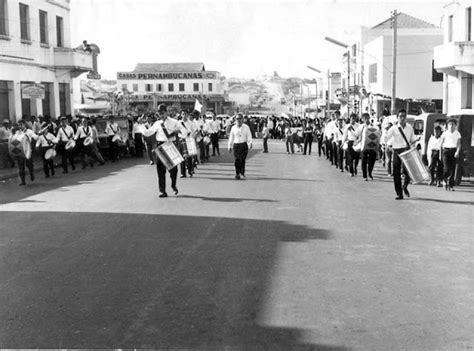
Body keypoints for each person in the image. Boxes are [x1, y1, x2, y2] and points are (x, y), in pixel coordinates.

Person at [142, 104, 184, 198]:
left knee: (174, 170)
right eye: (159, 113)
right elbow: (148, 132)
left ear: (166, 112)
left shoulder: (174, 122)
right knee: (160, 170)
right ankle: (162, 191)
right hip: (160, 146)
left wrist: (178, 131)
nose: (161, 115)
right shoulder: (157, 123)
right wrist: (141, 126)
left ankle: (173, 185)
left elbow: (183, 130)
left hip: (170, 146)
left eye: (163, 113)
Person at [386, 109, 417, 200]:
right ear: (397, 117)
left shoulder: (409, 127)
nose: (403, 118)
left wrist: (414, 145)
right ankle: (399, 193)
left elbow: (412, 139)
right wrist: (388, 144)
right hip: (397, 151)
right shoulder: (393, 128)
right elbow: (386, 139)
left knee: (408, 172)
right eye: (401, 116)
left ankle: (404, 186)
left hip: (407, 150)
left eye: (404, 116)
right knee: (396, 173)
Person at [10, 120, 38, 185]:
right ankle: (23, 181)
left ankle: (31, 174)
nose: (20, 126)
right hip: (20, 151)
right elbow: (13, 141)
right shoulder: (17, 132)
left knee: (29, 165)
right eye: (19, 125)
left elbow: (35, 137)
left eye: (21, 124)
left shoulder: (29, 131)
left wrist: (36, 136)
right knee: (21, 167)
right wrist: (12, 135)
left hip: (28, 151)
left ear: (24, 125)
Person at [357, 113, 381, 181]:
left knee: (372, 161)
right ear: (362, 119)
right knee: (364, 161)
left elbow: (378, 134)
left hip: (372, 146)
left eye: (368, 118)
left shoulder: (374, 126)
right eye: (365, 118)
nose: (367, 119)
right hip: (363, 146)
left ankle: (370, 173)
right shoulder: (361, 127)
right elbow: (356, 134)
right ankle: (364, 175)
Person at [228, 113, 252, 180]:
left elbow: (249, 136)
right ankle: (237, 173)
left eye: (240, 118)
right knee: (237, 160)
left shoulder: (246, 127)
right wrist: (229, 146)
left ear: (242, 119)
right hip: (236, 145)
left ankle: (242, 172)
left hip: (243, 145)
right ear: (235, 120)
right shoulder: (233, 128)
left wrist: (250, 143)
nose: (238, 120)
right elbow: (231, 137)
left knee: (242, 160)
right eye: (237, 119)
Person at [439, 119, 461, 191]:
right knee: (446, 168)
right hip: (446, 150)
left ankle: (451, 185)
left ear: (455, 126)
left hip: (453, 150)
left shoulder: (457, 133)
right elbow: (441, 144)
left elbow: (458, 144)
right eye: (450, 124)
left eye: (453, 124)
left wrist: (457, 151)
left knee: (453, 168)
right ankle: (445, 181)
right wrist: (440, 154)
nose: (451, 126)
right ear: (448, 126)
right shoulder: (445, 133)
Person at [178, 110, 196, 178]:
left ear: (187, 115)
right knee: (181, 157)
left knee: (189, 157)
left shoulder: (191, 123)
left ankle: (190, 171)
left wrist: (191, 134)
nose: (184, 115)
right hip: (181, 140)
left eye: (185, 114)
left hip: (188, 140)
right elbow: (175, 130)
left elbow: (195, 130)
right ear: (181, 115)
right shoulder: (178, 123)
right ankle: (182, 173)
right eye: (183, 114)